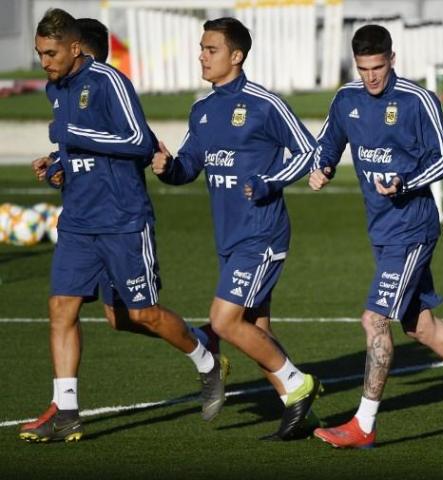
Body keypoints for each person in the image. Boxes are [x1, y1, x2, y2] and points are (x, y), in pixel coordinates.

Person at [20, 9, 228, 444]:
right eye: (39, 54)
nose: (44, 62)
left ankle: (205, 357)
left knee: (138, 315)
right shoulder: (55, 89)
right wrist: (59, 162)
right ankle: (68, 412)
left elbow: (139, 142)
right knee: (61, 309)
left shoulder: (109, 82)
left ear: (75, 48)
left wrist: (73, 134)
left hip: (122, 221)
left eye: (50, 53)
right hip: (78, 220)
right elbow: (78, 146)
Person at [309, 25, 443, 449]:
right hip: (380, 229)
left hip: (411, 229)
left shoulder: (417, 100)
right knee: (420, 325)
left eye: (378, 67)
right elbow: (329, 144)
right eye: (363, 69)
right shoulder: (346, 99)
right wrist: (323, 167)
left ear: (392, 59)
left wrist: (405, 182)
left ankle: (364, 424)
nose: (371, 77)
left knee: (375, 320)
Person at [151, 17, 321, 441]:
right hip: (228, 238)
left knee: (223, 322)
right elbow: (190, 164)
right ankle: (298, 411)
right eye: (202, 48)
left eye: (211, 49)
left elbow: (309, 152)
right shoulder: (202, 110)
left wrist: (270, 181)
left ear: (237, 55)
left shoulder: (265, 104)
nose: (202, 56)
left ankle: (298, 383)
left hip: (262, 235)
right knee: (256, 328)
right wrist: (168, 168)